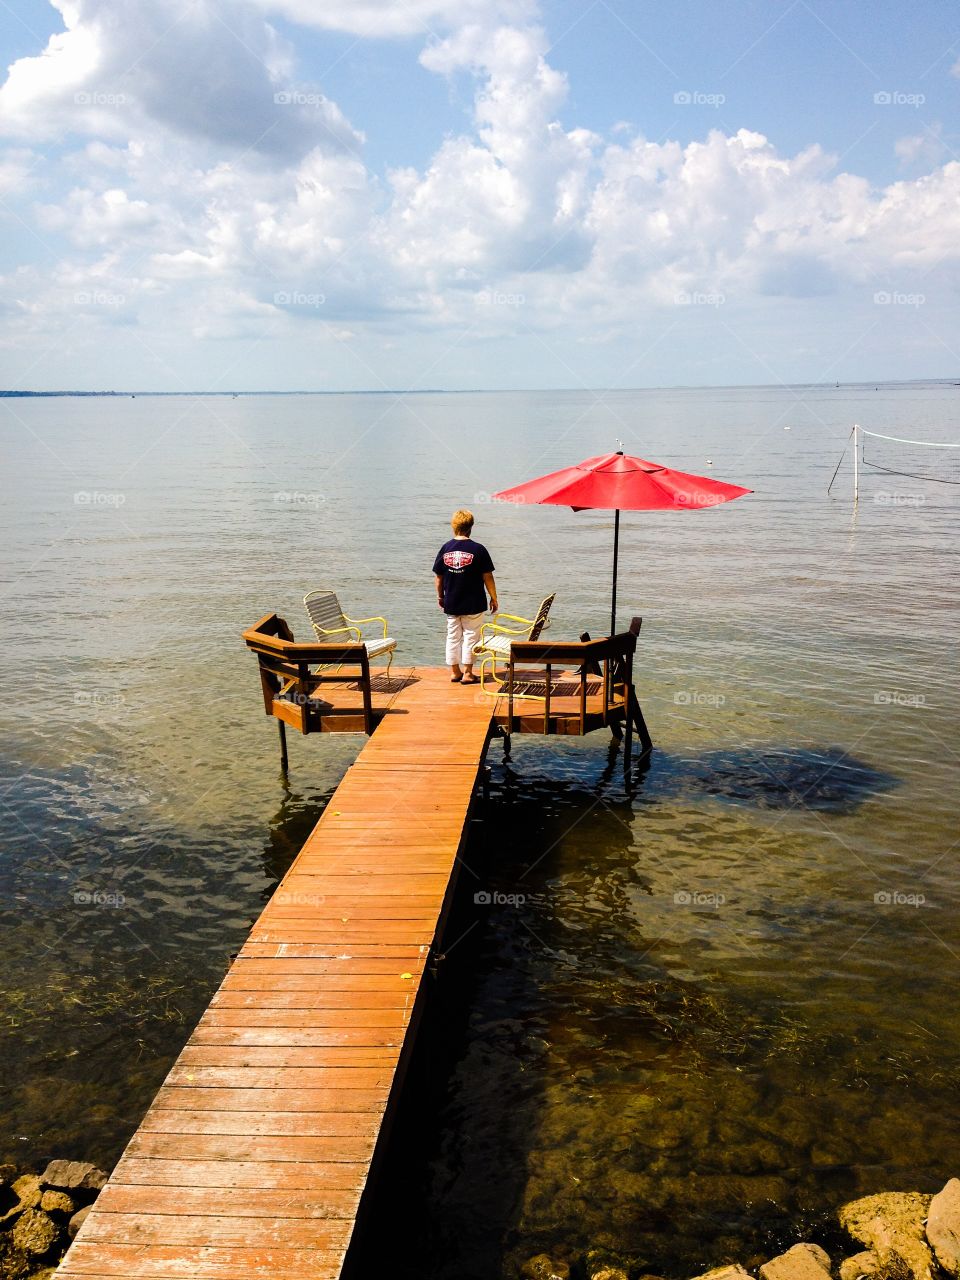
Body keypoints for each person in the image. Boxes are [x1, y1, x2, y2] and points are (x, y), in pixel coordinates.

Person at [433, 509, 498, 684]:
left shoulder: (445, 548)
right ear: (471, 527)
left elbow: (439, 578)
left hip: (452, 601)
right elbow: (488, 576)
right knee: (471, 636)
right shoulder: (479, 549)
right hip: (474, 602)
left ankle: (455, 672)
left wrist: (441, 597)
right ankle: (468, 673)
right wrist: (494, 597)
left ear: (453, 526)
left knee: (452, 636)